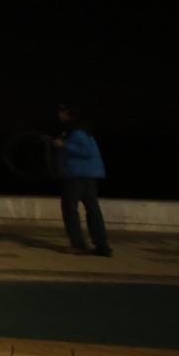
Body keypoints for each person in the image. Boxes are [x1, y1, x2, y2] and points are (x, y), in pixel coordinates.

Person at [52, 103, 111, 257]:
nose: (59, 114)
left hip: (78, 175)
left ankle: (79, 245)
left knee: (70, 209)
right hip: (87, 174)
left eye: (61, 111)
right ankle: (102, 246)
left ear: (67, 113)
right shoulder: (81, 128)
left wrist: (63, 144)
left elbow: (87, 152)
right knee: (92, 210)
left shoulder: (76, 130)